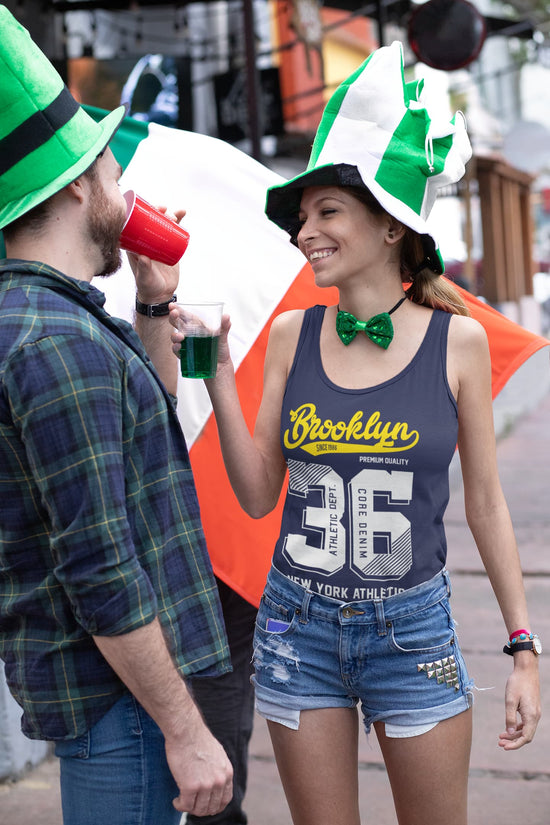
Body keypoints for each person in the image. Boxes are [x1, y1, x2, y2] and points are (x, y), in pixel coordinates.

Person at [170, 42, 541, 825]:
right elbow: (257, 491)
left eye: (326, 211)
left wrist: (523, 648)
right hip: (294, 628)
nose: (305, 231)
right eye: (303, 217)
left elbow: (487, 506)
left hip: (415, 632)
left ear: (389, 226)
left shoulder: (458, 340)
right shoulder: (290, 336)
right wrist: (213, 371)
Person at [0, 8, 233, 824]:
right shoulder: (58, 343)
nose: (122, 191)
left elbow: (142, 426)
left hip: (114, 701)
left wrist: (154, 297)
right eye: (109, 171)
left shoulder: (54, 321)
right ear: (75, 188)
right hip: (120, 709)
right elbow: (99, 566)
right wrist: (187, 730)